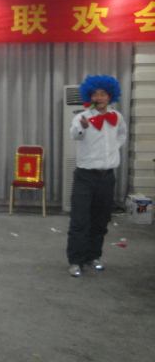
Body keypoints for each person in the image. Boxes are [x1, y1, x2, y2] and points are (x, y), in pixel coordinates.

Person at [66, 75, 127, 278]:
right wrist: (83, 127)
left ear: (110, 96)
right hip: (85, 177)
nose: (99, 97)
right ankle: (75, 261)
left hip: (107, 177)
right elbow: (74, 135)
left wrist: (114, 148)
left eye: (103, 94)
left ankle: (93, 256)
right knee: (80, 221)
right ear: (89, 97)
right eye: (95, 94)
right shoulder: (82, 117)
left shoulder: (117, 117)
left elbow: (122, 135)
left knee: (101, 221)